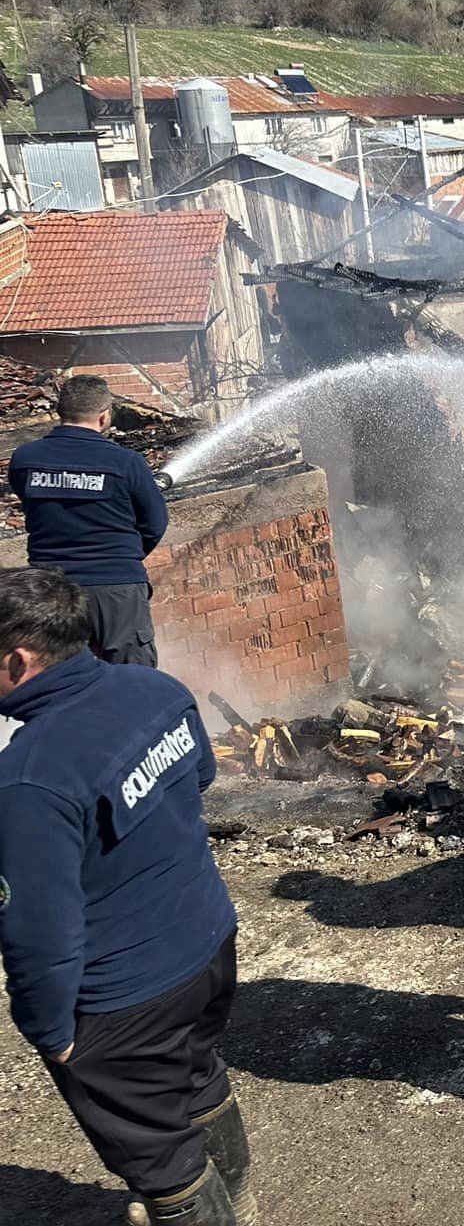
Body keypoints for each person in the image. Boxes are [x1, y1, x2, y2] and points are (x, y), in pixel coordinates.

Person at [0, 567, 250, 1223]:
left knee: (161, 1158)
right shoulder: (156, 689)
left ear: (16, 659)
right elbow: (197, 776)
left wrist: (50, 1033)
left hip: (122, 1001)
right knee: (198, 1076)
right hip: (209, 942)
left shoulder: (28, 780)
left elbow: (39, 934)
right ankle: (241, 1201)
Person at [8, 375, 170, 666]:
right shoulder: (126, 463)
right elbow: (155, 523)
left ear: (60, 412)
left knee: (61, 678)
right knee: (131, 676)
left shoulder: (24, 459)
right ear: (104, 416)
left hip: (49, 590)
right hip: (116, 590)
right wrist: (123, 557)